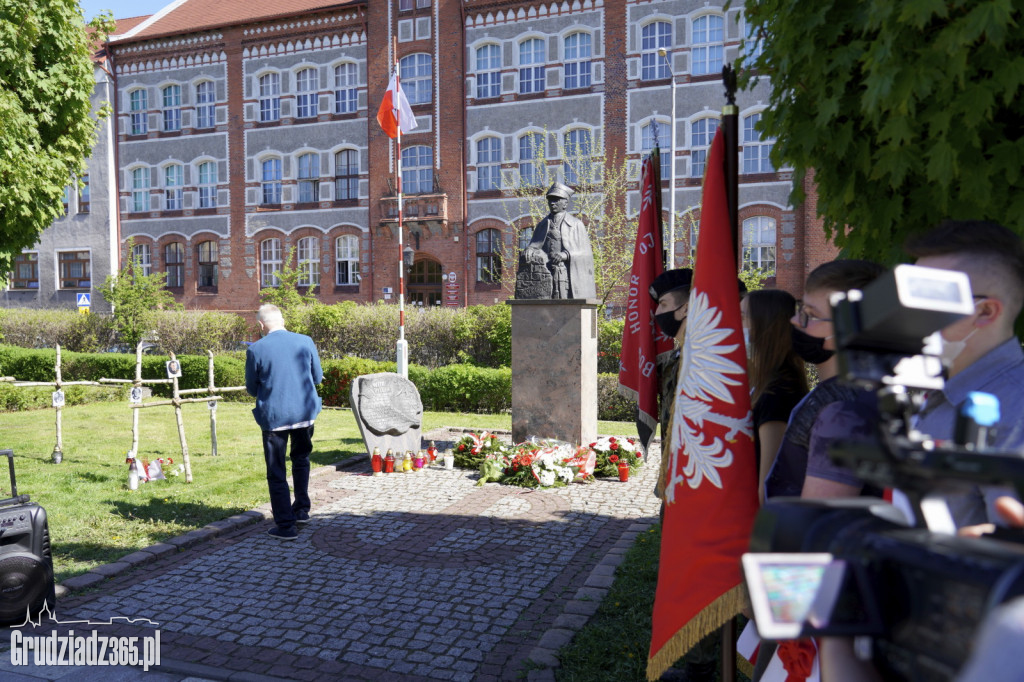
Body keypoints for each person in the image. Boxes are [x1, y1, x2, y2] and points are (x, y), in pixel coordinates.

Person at [904, 220, 1024, 526]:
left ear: (985, 312)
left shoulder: (1016, 410)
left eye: (926, 299)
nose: (908, 314)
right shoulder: (927, 391)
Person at [762, 259, 887, 502]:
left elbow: (816, 519)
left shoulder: (844, 409)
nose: (795, 321)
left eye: (811, 315)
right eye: (801, 309)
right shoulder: (838, 393)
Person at [245, 303, 324, 540]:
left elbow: (251, 388)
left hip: (275, 417)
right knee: (301, 460)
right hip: (304, 413)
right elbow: (318, 377)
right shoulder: (305, 341)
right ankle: (301, 509)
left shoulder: (256, 349)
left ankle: (286, 525)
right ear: (282, 320)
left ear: (261, 324)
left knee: (276, 470)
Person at [741, 289, 808, 503]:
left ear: (765, 326)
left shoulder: (778, 391)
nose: (734, 324)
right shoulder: (762, 383)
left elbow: (769, 483)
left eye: (742, 317)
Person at [517, 182, 596, 299]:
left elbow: (586, 253)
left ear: (565, 203)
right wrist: (530, 249)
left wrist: (566, 255)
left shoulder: (576, 224)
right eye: (550, 200)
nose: (552, 203)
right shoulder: (542, 225)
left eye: (557, 200)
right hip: (544, 276)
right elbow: (535, 244)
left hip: (565, 275)